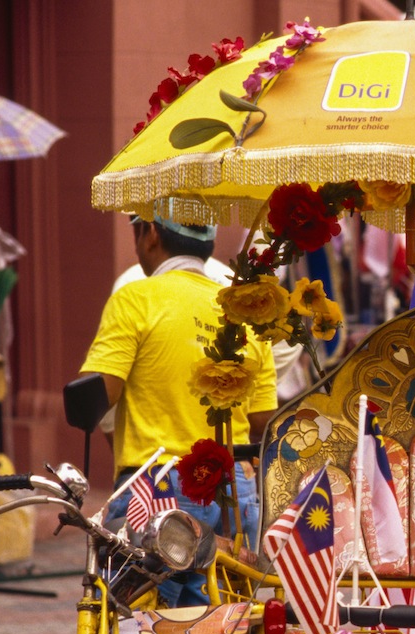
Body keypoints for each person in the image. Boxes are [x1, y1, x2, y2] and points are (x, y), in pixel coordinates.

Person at [80, 214, 277, 601]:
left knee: (140, 630)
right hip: (235, 491)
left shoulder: (136, 298)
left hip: (158, 489)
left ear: (150, 234)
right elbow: (262, 420)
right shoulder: (244, 314)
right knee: (222, 631)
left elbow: (102, 391)